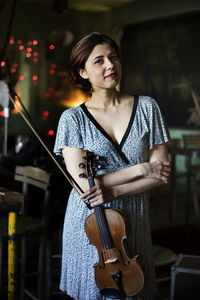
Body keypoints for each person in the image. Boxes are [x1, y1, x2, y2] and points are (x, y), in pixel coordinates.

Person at [54, 32, 171, 300]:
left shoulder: (147, 108)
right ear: (82, 72)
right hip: (90, 223)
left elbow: (161, 173)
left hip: (135, 216)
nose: (110, 65)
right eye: (99, 61)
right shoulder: (72, 120)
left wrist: (115, 191)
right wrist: (141, 169)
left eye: (113, 57)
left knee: (136, 290)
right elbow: (85, 185)